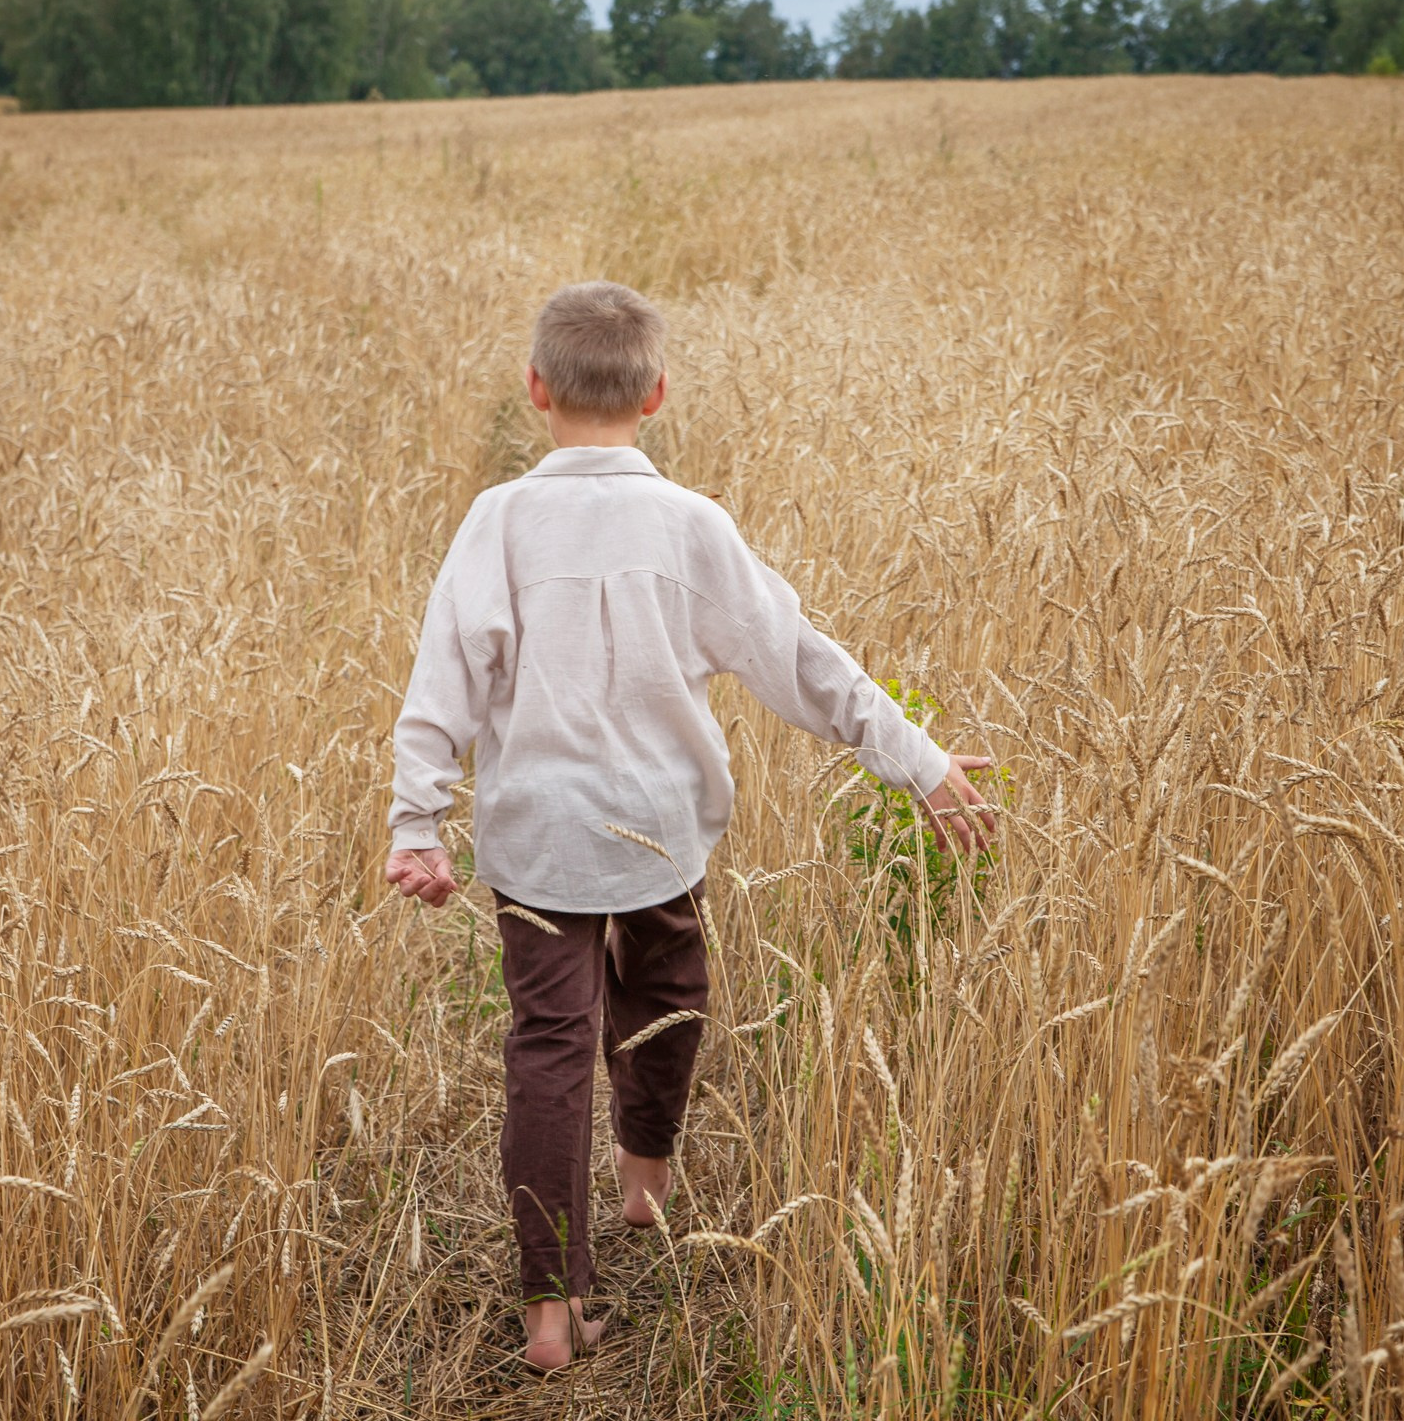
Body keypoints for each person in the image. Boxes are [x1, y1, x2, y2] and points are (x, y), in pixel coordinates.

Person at [384, 281, 994, 1371]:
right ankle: (643, 1179)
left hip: (537, 834)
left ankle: (549, 1312)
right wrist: (921, 759)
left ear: (535, 390)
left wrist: (418, 819)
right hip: (659, 826)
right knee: (669, 998)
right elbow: (798, 661)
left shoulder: (499, 520)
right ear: (657, 393)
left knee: (548, 1046)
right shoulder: (693, 524)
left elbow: (444, 682)